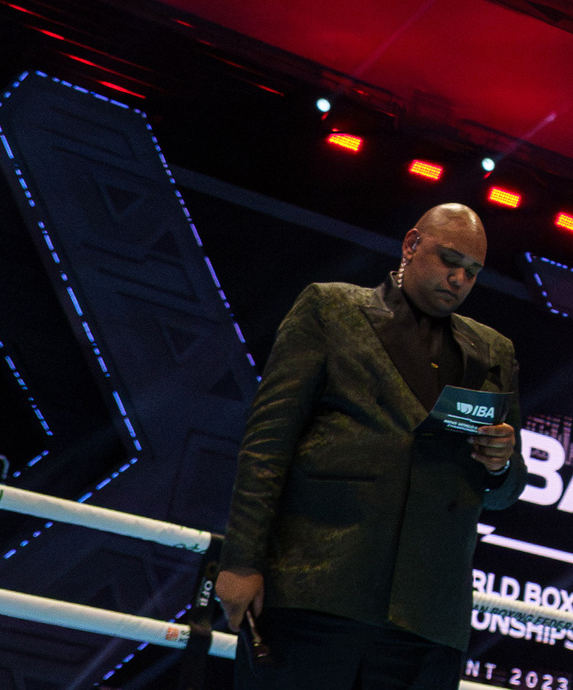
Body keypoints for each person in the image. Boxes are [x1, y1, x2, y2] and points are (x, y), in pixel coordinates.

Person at [215, 203, 526, 690]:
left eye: (472, 272)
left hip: (427, 617)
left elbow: (507, 491)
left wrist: (502, 465)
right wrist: (240, 560)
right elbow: (267, 443)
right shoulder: (330, 308)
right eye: (449, 260)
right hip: (317, 589)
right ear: (411, 244)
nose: (459, 278)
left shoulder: (494, 352)